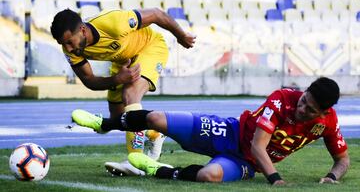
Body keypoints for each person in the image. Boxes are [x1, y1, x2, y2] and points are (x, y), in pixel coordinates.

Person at [71, 77, 350, 184]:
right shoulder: (282, 98)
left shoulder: (328, 123)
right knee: (156, 118)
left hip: (245, 163)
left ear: (324, 113)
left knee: (209, 175)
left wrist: (331, 177)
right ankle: (104, 124)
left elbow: (343, 159)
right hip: (230, 132)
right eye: (303, 101)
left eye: (310, 109)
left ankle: (158, 170)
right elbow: (258, 144)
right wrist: (275, 179)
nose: (302, 109)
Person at [51, 8, 195, 176]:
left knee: (130, 95)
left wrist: (181, 36)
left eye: (69, 41)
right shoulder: (70, 49)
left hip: (150, 47)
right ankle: (153, 133)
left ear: (82, 30)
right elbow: (89, 80)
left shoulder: (114, 22)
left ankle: (136, 162)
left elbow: (157, 14)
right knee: (119, 119)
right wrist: (117, 79)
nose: (67, 47)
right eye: (63, 44)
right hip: (123, 61)